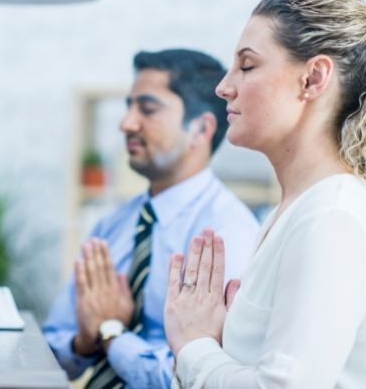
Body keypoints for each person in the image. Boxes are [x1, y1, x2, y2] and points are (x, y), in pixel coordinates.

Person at [164, 0, 366, 388]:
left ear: (314, 79)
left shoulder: (333, 217)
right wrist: (222, 342)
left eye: (247, 65)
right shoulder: (303, 207)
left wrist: (193, 345)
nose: (224, 87)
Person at [43, 49, 259, 388]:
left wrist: (112, 334)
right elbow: (50, 348)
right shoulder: (111, 224)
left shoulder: (228, 233)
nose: (126, 123)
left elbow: (198, 378)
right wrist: (84, 342)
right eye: (129, 107)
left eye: (147, 109)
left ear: (201, 129)